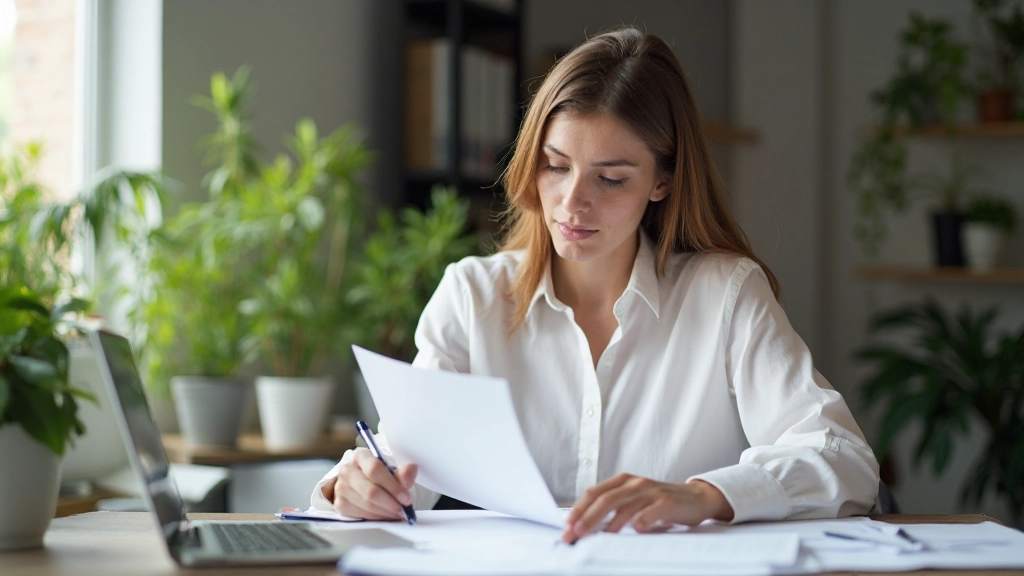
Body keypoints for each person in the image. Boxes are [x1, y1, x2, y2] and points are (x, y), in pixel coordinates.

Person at [311, 27, 879, 544]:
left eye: (610, 178)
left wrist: (704, 494)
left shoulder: (724, 294)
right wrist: (361, 487)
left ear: (662, 181)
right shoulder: (472, 298)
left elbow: (844, 459)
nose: (572, 202)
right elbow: (406, 465)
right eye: (555, 166)